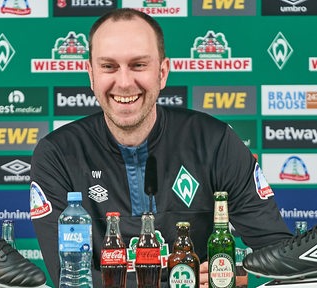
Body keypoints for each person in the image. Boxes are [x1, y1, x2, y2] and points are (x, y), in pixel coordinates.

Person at [29, 8, 292, 288]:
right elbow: (67, 278)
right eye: (109, 66)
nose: (125, 82)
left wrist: (230, 273)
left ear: (162, 72)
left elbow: (278, 252)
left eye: (139, 65)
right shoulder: (56, 154)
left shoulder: (215, 141)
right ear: (91, 74)